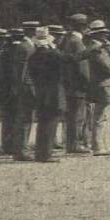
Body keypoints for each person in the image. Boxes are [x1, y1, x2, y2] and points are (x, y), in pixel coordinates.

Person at [28, 26, 68, 163]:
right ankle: (46, 153)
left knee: (42, 123)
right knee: (51, 123)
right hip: (54, 92)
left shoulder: (33, 56)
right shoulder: (53, 55)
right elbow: (66, 62)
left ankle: (41, 153)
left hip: (41, 92)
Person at [84, 20, 110, 156]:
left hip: (105, 83)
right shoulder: (96, 49)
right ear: (97, 35)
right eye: (102, 34)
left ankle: (105, 145)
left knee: (106, 115)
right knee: (101, 116)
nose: (105, 36)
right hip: (103, 83)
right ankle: (98, 146)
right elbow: (107, 67)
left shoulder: (102, 48)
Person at [59, 14, 92, 154]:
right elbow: (82, 66)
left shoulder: (66, 39)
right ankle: (74, 144)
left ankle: (70, 143)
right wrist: (87, 81)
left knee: (71, 115)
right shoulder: (77, 42)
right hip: (78, 84)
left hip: (68, 82)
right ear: (82, 27)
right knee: (77, 116)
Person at [9, 20, 39, 161]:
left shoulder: (29, 46)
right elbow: (21, 71)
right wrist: (22, 87)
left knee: (27, 118)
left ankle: (21, 149)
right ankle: (21, 150)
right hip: (27, 88)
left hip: (28, 87)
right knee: (25, 119)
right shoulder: (25, 47)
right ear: (32, 32)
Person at [0, 28, 23, 154]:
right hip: (15, 88)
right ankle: (12, 145)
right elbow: (15, 72)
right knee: (16, 117)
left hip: (5, 88)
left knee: (7, 117)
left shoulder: (5, 51)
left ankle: (6, 144)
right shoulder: (18, 51)